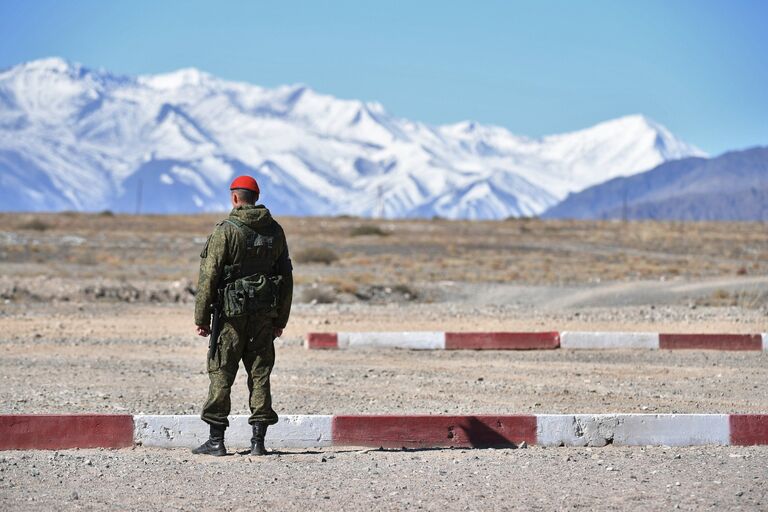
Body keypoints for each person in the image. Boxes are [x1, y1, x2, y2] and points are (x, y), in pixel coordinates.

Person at [192, 175, 293, 456]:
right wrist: (280, 320)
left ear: (235, 198)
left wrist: (201, 317)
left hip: (230, 316)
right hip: (263, 315)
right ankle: (258, 443)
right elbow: (286, 278)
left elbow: (209, 276)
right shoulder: (275, 231)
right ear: (256, 198)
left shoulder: (225, 231)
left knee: (222, 372)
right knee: (260, 373)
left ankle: (216, 441)